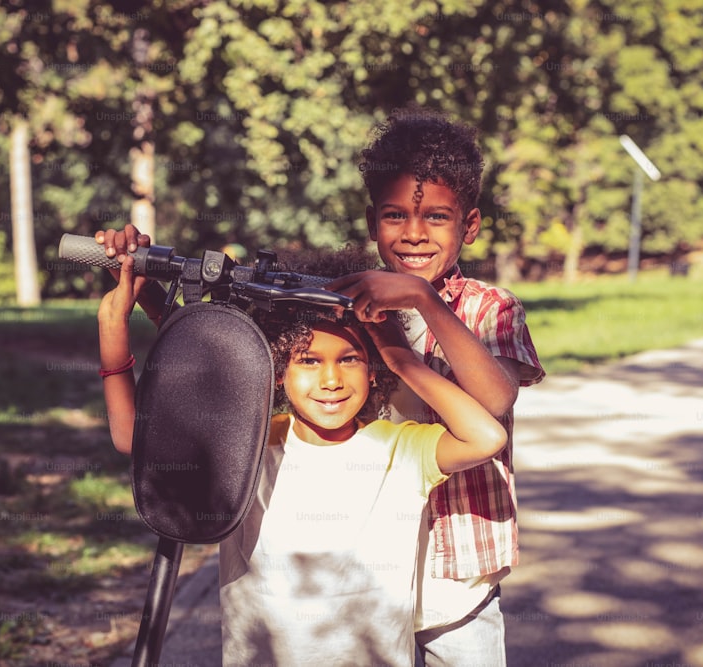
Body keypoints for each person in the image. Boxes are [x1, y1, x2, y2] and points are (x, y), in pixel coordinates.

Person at [96, 246, 508, 666]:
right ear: (276, 369)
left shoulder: (400, 449)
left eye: (350, 359)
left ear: (373, 370)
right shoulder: (249, 444)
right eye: (309, 360)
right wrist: (113, 328)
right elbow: (135, 437)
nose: (331, 379)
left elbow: (486, 436)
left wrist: (400, 359)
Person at [325, 106, 545, 666]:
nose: (415, 233)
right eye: (396, 216)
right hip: (364, 568)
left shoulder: (490, 309)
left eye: (437, 218)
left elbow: (495, 402)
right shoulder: (340, 306)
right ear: (373, 220)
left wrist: (422, 300)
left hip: (459, 577)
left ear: (468, 225)